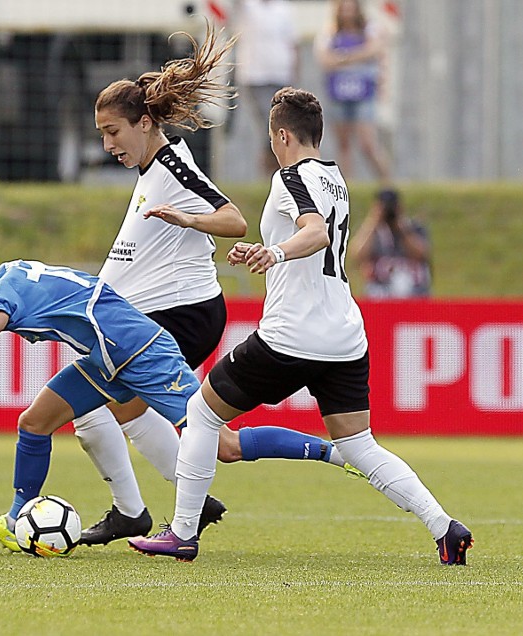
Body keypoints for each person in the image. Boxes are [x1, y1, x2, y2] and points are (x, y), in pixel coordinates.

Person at [0, 210, 353, 554]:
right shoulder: (4, 278)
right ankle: (17, 518)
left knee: (223, 445)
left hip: (142, 354)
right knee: (35, 422)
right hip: (108, 360)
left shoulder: (1, 299)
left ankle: (336, 452)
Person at [128, 87, 473, 566]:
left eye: (272, 139)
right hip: (345, 336)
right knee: (359, 445)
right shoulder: (336, 178)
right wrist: (264, 251)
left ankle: (183, 532)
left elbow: (314, 232)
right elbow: (314, 235)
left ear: (282, 135)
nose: (272, 147)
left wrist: (274, 252)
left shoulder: (289, 176)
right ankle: (445, 527)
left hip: (294, 334)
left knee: (202, 412)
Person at [78, 24, 354, 548]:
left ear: (142, 123)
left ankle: (157, 511)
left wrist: (187, 221)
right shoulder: (150, 169)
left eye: (112, 131)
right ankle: (169, 506)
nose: (106, 143)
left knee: (102, 406)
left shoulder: (174, 164)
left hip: (186, 317)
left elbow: (232, 219)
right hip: (169, 315)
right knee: (205, 438)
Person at [314, 0, 390, 181]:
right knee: (343, 143)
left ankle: (387, 182)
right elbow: (324, 59)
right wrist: (356, 57)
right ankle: (346, 187)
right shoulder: (329, 32)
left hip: (364, 91)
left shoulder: (369, 29)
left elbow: (375, 49)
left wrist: (344, 57)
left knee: (367, 143)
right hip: (338, 92)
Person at [230, 0, 299, 177]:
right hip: (255, 76)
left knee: (282, 125)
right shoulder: (248, 6)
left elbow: (292, 43)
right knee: (269, 126)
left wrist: (294, 73)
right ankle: (270, 172)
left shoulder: (283, 8)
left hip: (280, 74)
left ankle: (280, 171)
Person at [349, 188, 431, 298]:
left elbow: (421, 253)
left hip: (414, 296)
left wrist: (401, 226)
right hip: (379, 297)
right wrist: (373, 221)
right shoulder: (373, 233)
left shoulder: (414, 228)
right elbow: (357, 254)